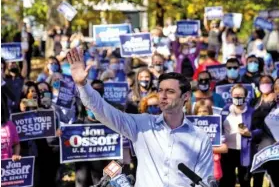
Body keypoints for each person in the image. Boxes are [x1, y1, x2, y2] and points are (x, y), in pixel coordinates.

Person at [67, 47, 214, 186]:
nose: (162, 96)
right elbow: (103, 111)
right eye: (160, 90)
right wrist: (83, 85)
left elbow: (204, 181)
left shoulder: (200, 138)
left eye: (170, 91)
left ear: (186, 96)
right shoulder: (141, 124)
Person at [220, 84, 258, 187]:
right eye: (235, 95)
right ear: (231, 95)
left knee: (244, 181)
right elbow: (218, 127)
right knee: (227, 181)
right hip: (227, 151)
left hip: (244, 152)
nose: (238, 97)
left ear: (245, 97)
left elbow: (260, 130)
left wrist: (250, 133)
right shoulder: (224, 110)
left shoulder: (252, 112)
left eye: (241, 95)